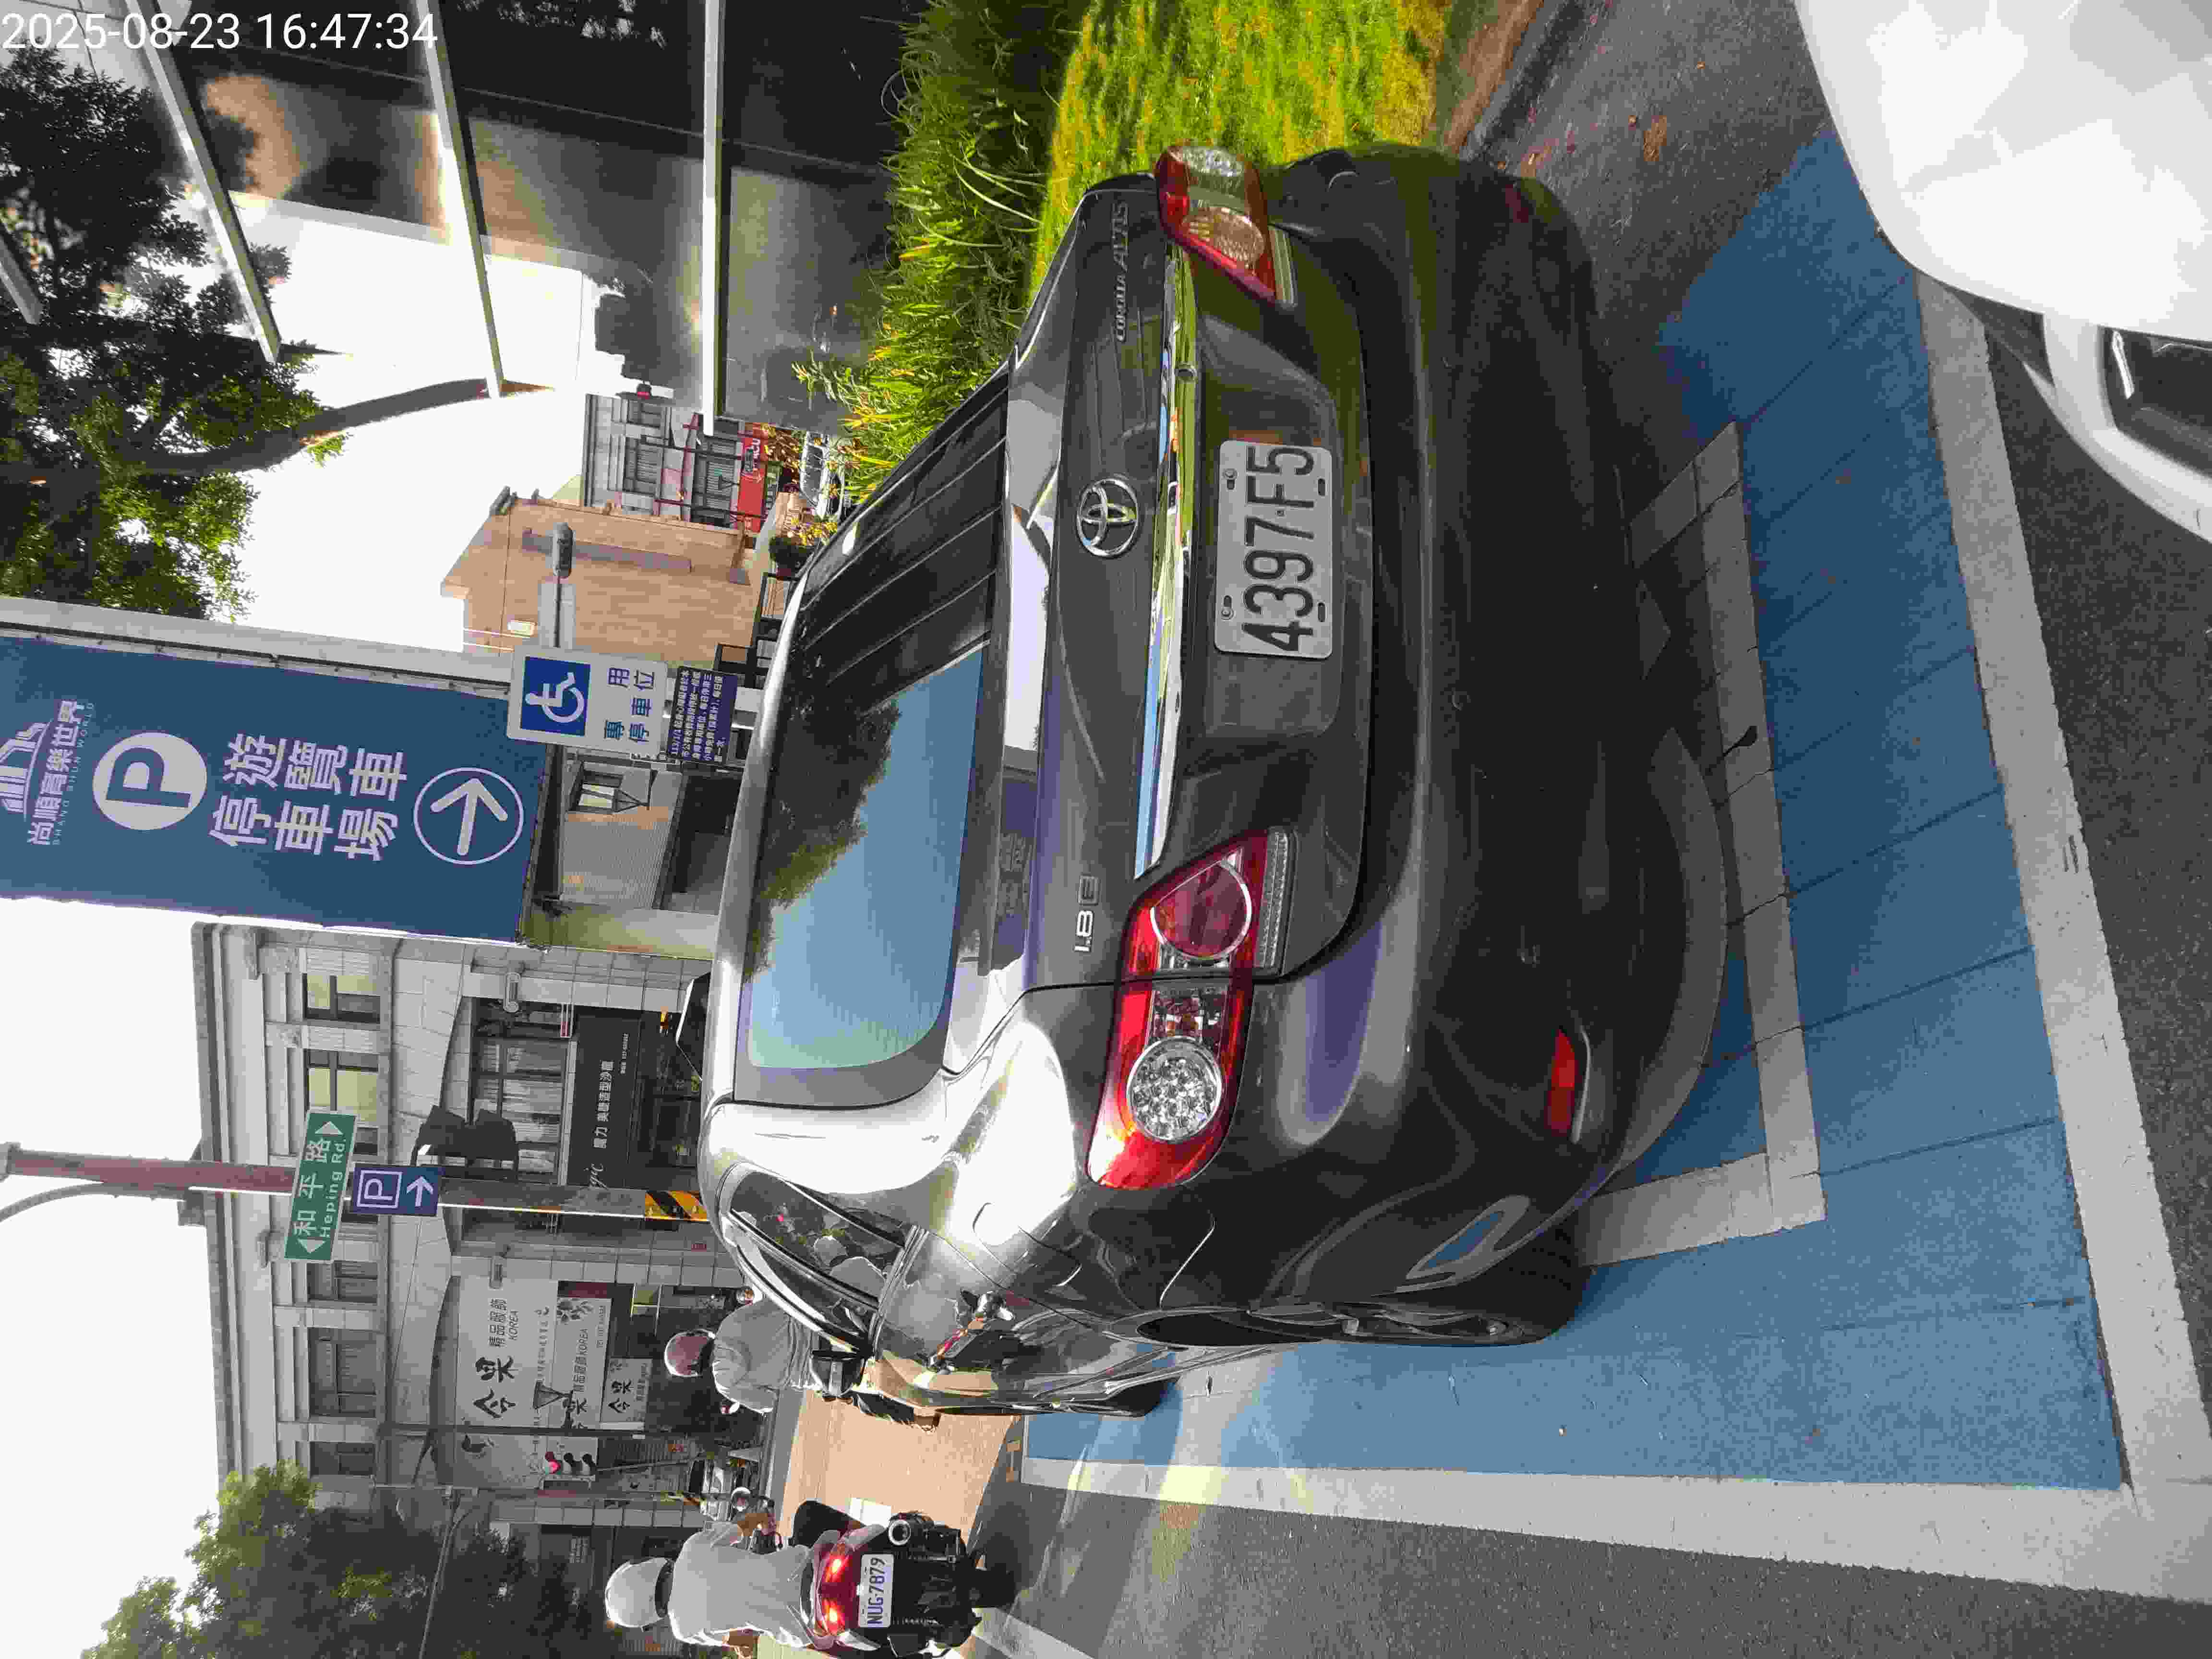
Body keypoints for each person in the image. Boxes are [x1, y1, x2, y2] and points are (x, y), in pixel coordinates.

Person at [603, 1502, 856, 1649]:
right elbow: (744, 1526)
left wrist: (743, 1646)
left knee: (832, 1644)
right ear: (646, 1565)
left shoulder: (684, 1630)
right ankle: (866, 1535)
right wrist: (762, 1520)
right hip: (805, 1567)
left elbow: (741, 1640)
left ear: (646, 1618)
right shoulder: (693, 1548)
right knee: (806, 1513)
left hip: (803, 1626)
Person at [663, 1287, 785, 1419]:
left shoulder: (724, 1384)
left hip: (801, 1374)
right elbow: (775, 1304)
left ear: (691, 1370)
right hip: (802, 1322)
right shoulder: (730, 1322)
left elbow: (769, 1402)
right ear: (696, 1335)